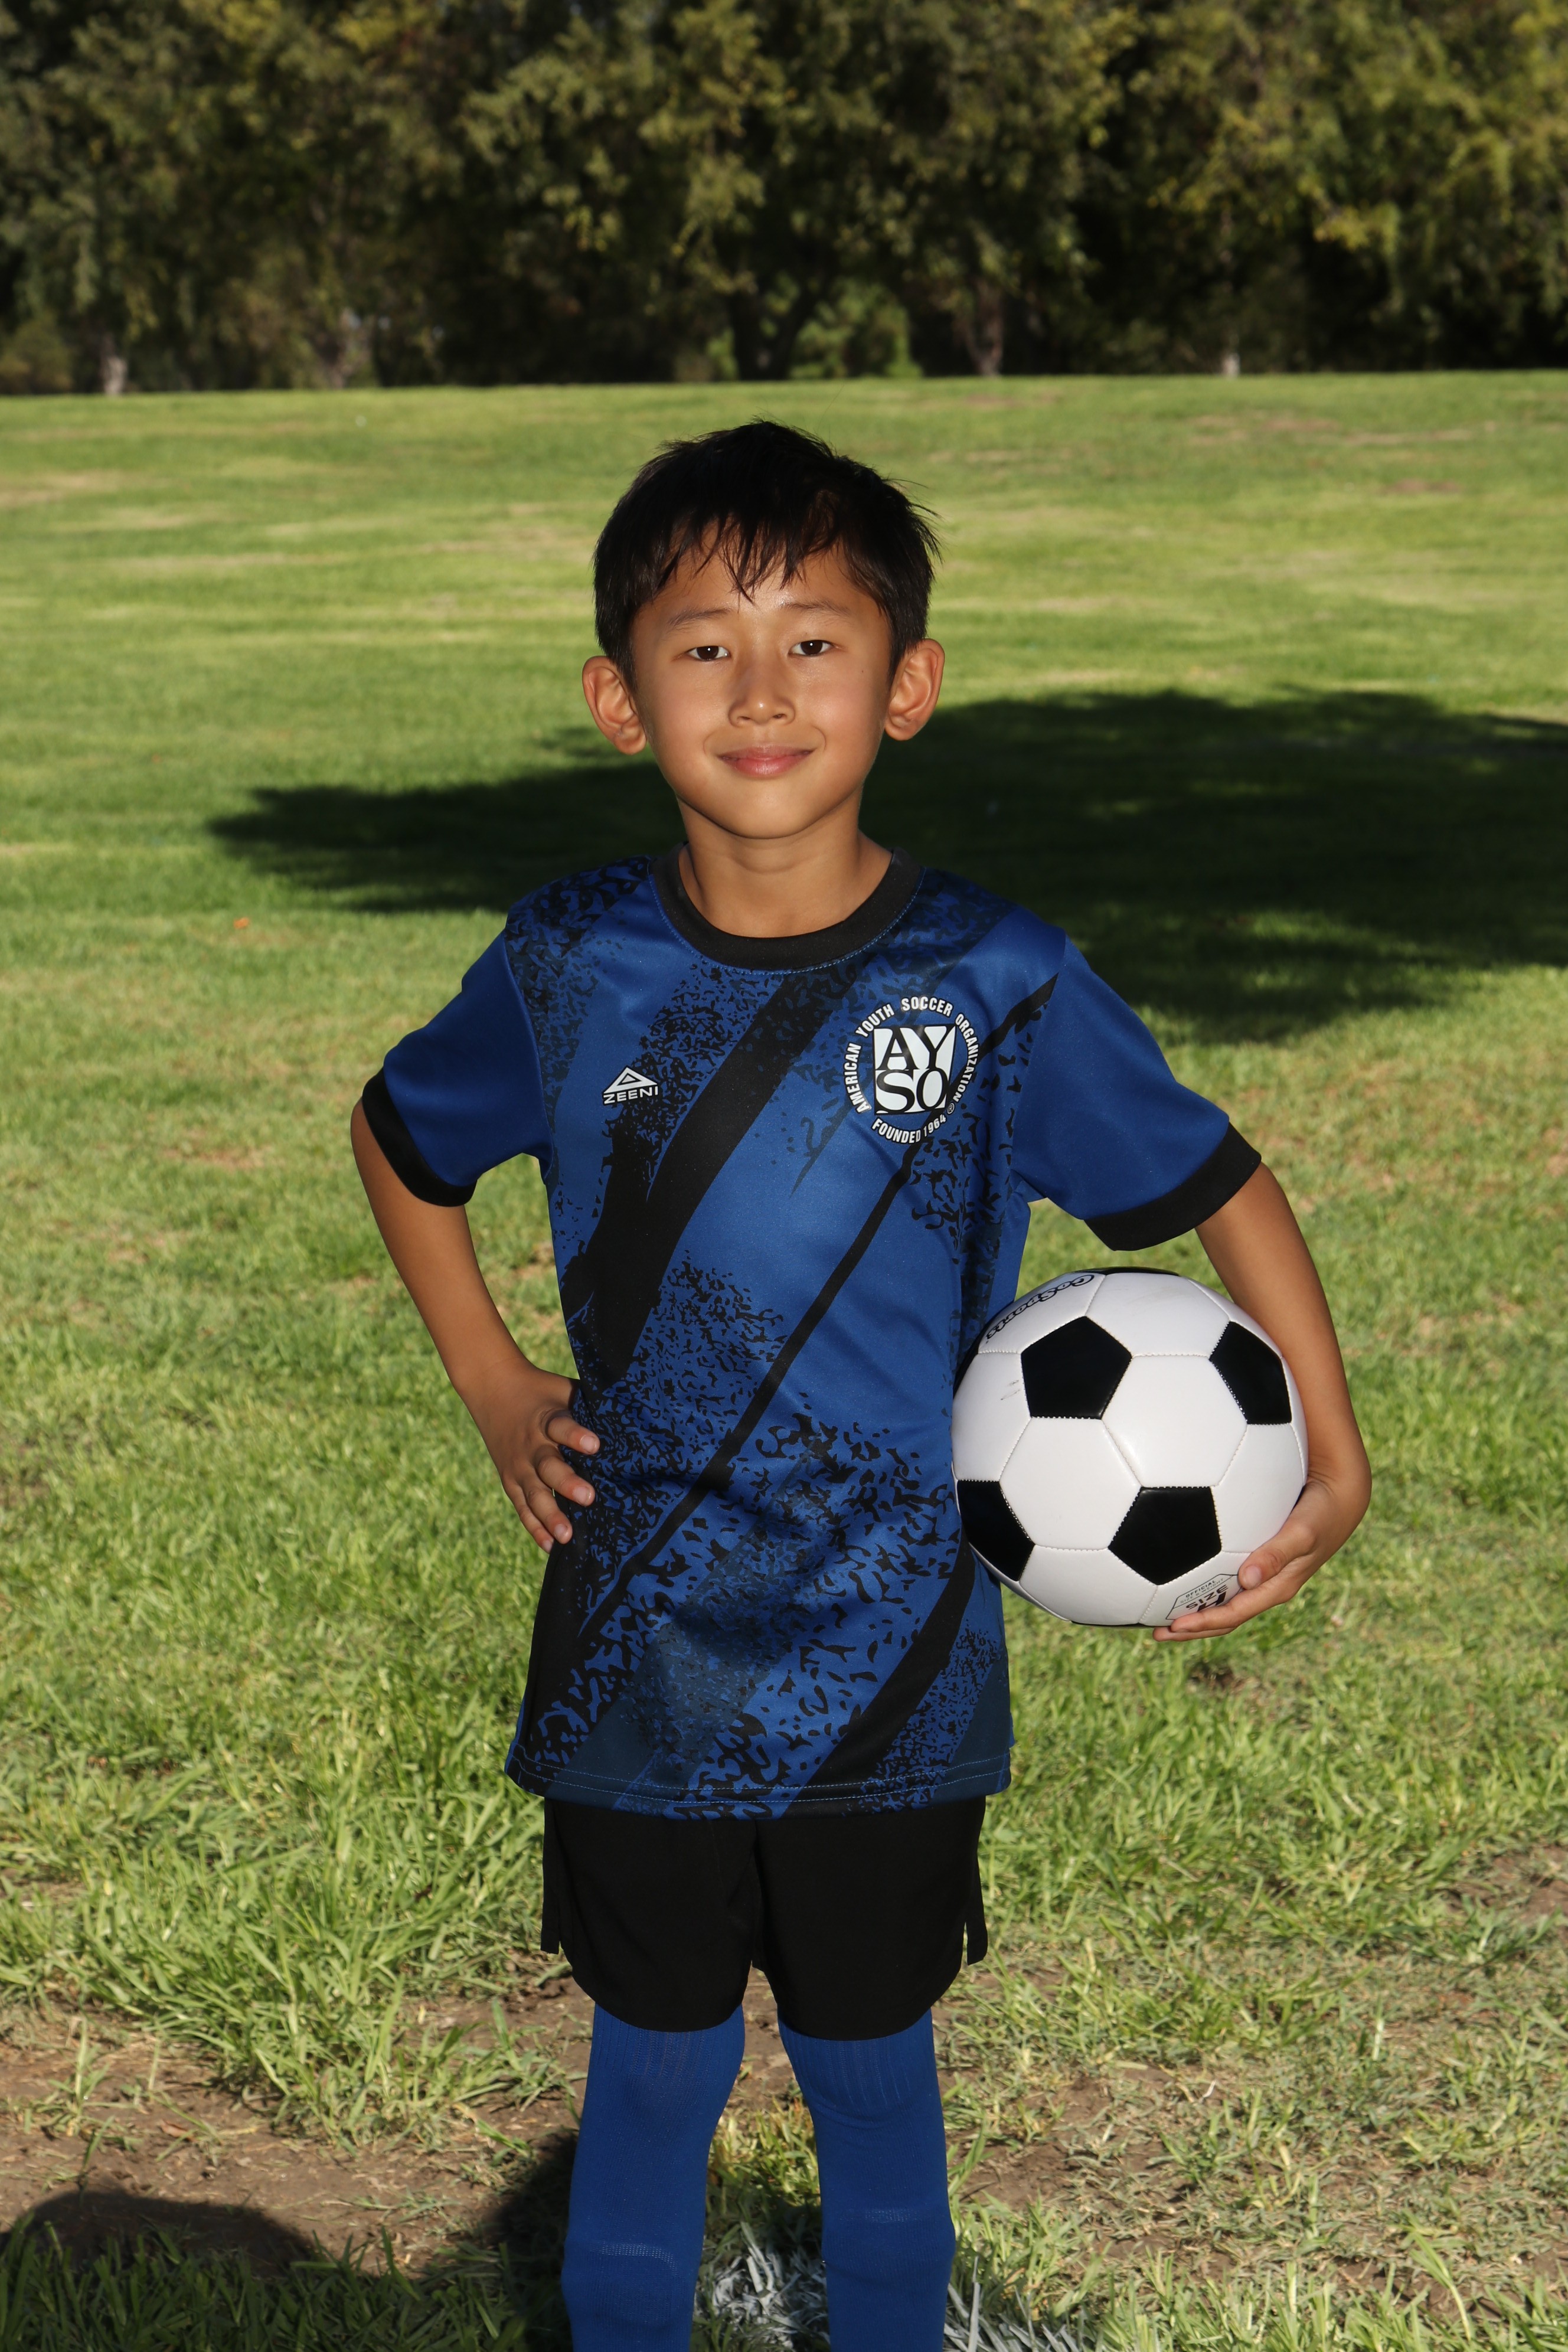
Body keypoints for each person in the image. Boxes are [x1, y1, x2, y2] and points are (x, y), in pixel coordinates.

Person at [351, 420, 1370, 2351]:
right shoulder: (567, 964)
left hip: (893, 1659)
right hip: (640, 1652)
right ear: (618, 696)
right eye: (704, 646)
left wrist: (1332, 1445)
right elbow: (403, 1144)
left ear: (906, 685)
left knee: (874, 2085)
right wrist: (491, 1380)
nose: (761, 692)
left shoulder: (998, 979)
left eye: (814, 641)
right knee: (651, 2071)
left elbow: (1217, 1178)